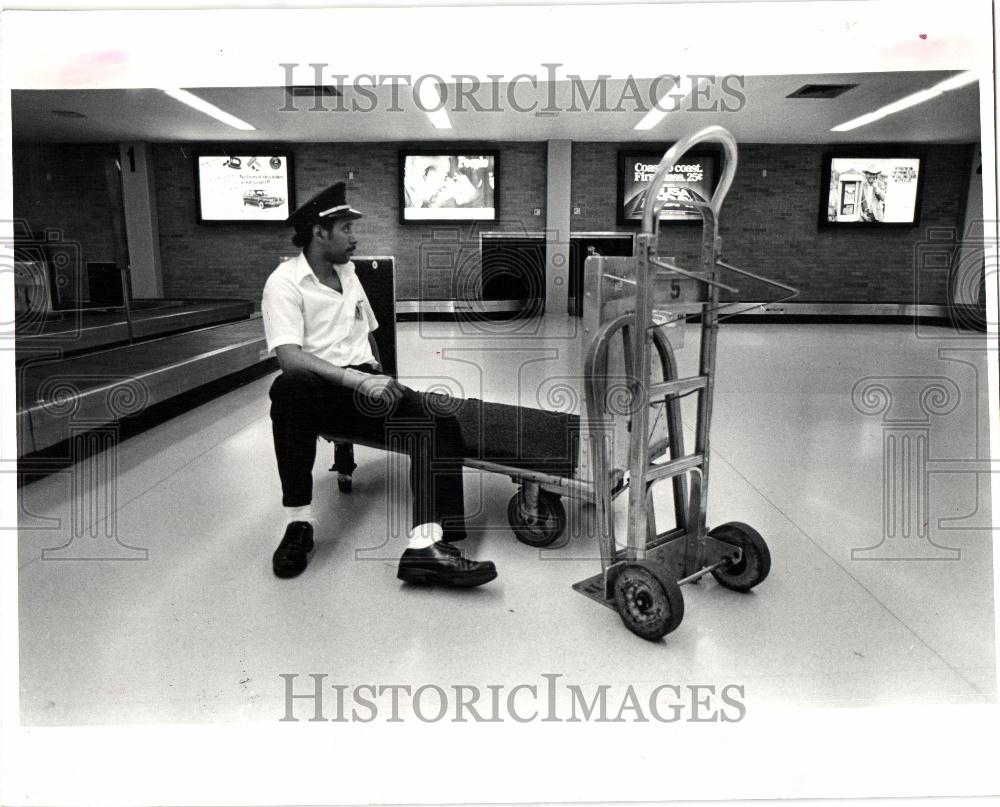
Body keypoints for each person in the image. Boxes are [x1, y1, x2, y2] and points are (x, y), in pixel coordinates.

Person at [261, 181, 497, 587]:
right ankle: (298, 524)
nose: (354, 238)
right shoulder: (283, 283)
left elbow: (368, 332)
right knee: (288, 387)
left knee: (436, 420)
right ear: (320, 232)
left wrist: (386, 382)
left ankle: (427, 546)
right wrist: (354, 380)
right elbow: (289, 357)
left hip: (363, 384)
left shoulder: (348, 274)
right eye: (346, 230)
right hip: (319, 391)